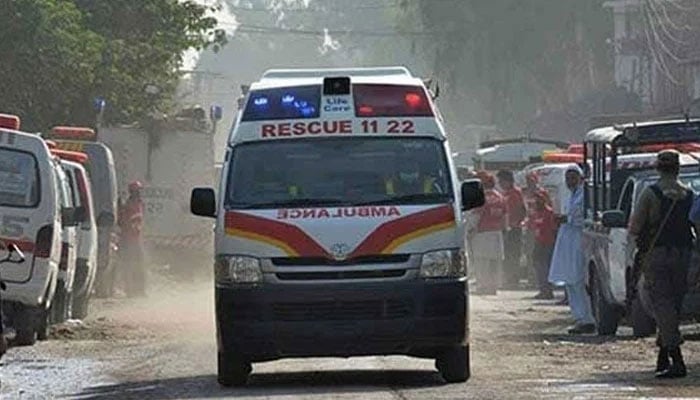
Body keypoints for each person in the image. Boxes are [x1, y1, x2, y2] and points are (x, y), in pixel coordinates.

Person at [629, 150, 693, 379]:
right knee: (673, 304)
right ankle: (663, 356)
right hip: (684, 255)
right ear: (677, 168)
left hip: (657, 255)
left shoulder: (650, 193)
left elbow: (634, 227)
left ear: (658, 167)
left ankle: (677, 360)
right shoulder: (689, 194)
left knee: (662, 304)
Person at [548, 165, 595, 334]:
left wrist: (565, 218)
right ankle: (580, 318)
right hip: (569, 242)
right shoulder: (572, 195)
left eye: (573, 178)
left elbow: (581, 218)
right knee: (571, 281)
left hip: (579, 241)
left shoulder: (584, 195)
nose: (570, 181)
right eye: (568, 178)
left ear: (581, 178)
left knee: (578, 280)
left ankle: (586, 318)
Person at [468, 171, 506, 295]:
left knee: (481, 261)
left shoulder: (480, 197)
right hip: (497, 233)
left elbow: (475, 216)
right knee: (495, 261)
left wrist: (469, 230)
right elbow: (505, 215)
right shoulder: (500, 196)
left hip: (482, 233)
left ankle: (483, 286)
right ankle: (494, 286)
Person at [497, 170, 527, 289]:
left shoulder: (516, 193)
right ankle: (508, 279)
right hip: (506, 228)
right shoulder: (505, 194)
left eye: (501, 181)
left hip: (514, 229)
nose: (500, 183)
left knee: (513, 255)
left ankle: (513, 280)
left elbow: (522, 210)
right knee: (507, 255)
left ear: (508, 181)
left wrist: (517, 223)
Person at [522, 172, 552, 286]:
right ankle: (532, 278)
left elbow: (548, 207)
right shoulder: (524, 193)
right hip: (530, 227)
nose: (530, 183)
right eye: (528, 180)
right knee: (530, 253)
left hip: (541, 228)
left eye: (532, 180)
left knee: (540, 256)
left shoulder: (542, 193)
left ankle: (542, 281)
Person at [525, 191, 557, 299]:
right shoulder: (536, 213)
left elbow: (553, 228)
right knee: (539, 267)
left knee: (545, 267)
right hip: (538, 242)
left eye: (539, 199)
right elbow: (531, 226)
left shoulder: (549, 213)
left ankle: (547, 290)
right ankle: (543, 289)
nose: (536, 202)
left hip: (547, 243)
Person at [118, 180, 147, 297]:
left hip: (133, 239)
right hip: (130, 240)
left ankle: (137, 290)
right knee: (131, 265)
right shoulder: (131, 205)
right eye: (137, 191)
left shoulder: (136, 204)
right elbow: (124, 221)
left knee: (137, 265)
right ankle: (132, 290)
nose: (139, 193)